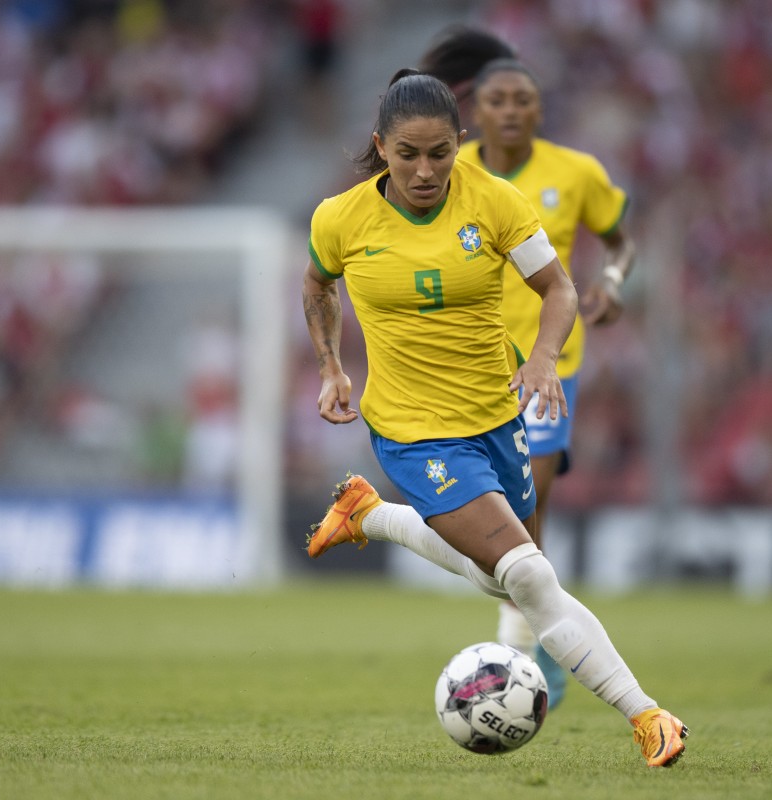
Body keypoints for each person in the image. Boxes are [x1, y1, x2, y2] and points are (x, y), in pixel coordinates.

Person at [302, 68, 686, 768]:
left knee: (498, 577)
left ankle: (371, 515)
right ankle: (647, 715)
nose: (425, 170)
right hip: (413, 430)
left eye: (441, 153)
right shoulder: (342, 217)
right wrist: (332, 365)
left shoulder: (495, 202)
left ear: (460, 144)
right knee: (532, 576)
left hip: (496, 417)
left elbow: (559, 288)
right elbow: (317, 284)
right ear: (380, 145)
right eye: (409, 153)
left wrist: (543, 358)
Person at [418, 29, 638, 709]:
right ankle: (533, 629)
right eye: (497, 100)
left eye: (524, 100)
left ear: (540, 111)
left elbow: (620, 239)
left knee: (528, 505)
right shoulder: (446, 175)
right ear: (475, 111)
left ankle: (525, 646)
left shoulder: (575, 173)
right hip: (467, 366)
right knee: (487, 518)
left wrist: (613, 280)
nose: (511, 111)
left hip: (548, 365)